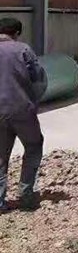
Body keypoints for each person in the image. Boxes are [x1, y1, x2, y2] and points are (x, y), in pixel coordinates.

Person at [0, 17, 47, 212]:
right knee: (34, 145)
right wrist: (34, 102)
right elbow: (38, 79)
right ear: (17, 33)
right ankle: (26, 194)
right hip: (21, 109)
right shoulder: (23, 50)